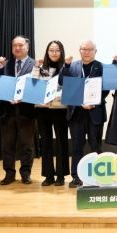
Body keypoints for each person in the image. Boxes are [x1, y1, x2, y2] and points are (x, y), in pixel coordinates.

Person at [60, 40, 108, 188]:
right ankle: (76, 177)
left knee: (95, 146)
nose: (86, 52)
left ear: (95, 51)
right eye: (83, 49)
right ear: (79, 50)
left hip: (95, 112)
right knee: (76, 147)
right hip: (76, 113)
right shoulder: (72, 66)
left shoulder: (102, 67)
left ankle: (98, 177)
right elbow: (63, 83)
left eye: (90, 49)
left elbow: (105, 89)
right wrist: (66, 66)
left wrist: (93, 101)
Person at [0, 35, 36, 185]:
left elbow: (36, 87)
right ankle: (9, 174)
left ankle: (26, 173)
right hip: (8, 110)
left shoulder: (35, 65)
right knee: (7, 145)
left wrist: (23, 97)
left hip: (27, 110)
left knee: (27, 145)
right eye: (15, 45)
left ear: (27, 47)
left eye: (21, 45)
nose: (17, 48)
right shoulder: (5, 64)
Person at [32, 40, 69, 187]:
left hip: (60, 109)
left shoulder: (66, 67)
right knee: (46, 142)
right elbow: (33, 86)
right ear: (47, 52)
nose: (54, 53)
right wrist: (36, 67)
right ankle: (48, 175)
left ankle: (60, 175)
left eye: (57, 50)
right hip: (42, 110)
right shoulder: (40, 68)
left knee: (61, 141)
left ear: (61, 52)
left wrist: (56, 97)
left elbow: (68, 87)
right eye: (51, 50)